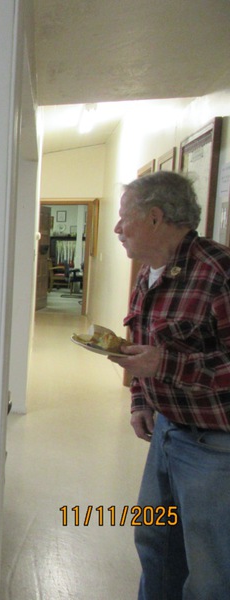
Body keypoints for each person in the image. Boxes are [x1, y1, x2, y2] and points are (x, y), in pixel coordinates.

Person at [110, 170, 230, 599]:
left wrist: (165, 364)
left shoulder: (218, 272)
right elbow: (142, 342)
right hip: (165, 431)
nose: (118, 228)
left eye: (125, 217)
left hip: (214, 446)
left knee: (210, 570)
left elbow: (165, 358)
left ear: (155, 217)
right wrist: (140, 400)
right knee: (155, 543)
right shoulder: (149, 271)